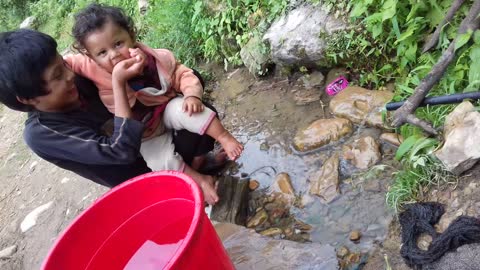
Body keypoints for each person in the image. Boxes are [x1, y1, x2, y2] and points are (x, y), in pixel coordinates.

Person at [0, 29, 219, 204]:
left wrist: (141, 61)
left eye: (63, 64)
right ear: (27, 99)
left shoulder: (79, 73)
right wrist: (118, 84)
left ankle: (197, 165)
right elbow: (120, 152)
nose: (70, 75)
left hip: (157, 138)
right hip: (142, 177)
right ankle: (184, 186)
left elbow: (157, 72)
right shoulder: (42, 134)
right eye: (58, 76)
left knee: (195, 103)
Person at [66, 3, 243, 172]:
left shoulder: (156, 59)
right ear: (91, 57)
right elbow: (65, 62)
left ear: (132, 35)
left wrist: (191, 95)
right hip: (145, 134)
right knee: (162, 162)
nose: (113, 55)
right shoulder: (90, 66)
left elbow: (183, 74)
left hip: (166, 111)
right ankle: (196, 178)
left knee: (191, 111)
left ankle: (222, 139)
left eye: (118, 43)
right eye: (102, 53)